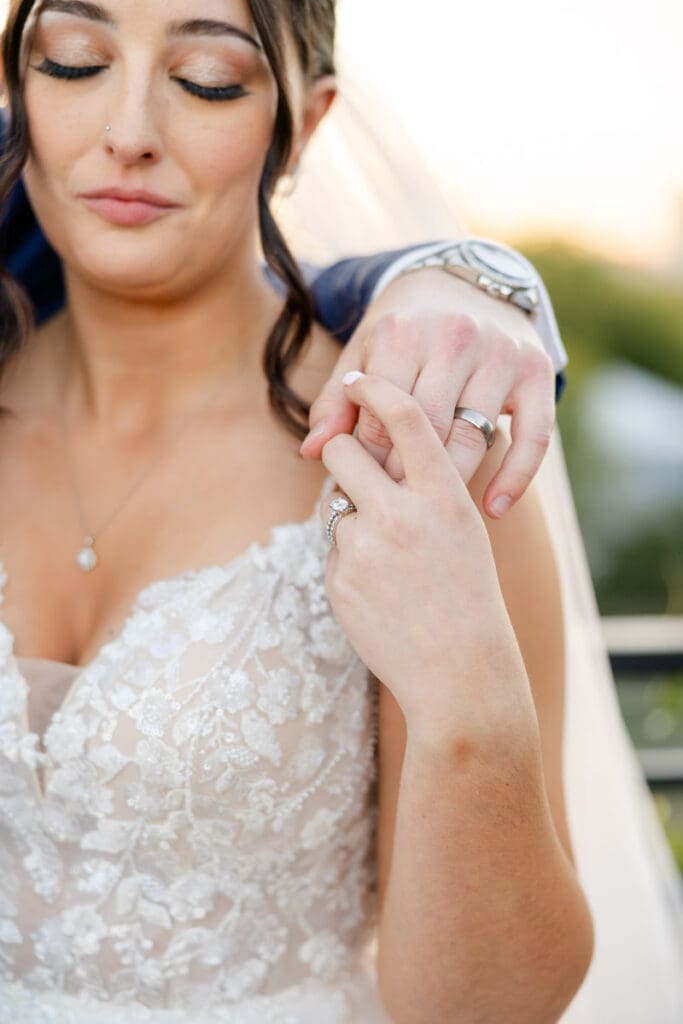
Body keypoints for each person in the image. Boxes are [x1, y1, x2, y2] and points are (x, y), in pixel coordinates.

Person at [0, 0, 651, 1020]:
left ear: (301, 125)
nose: (126, 130)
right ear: (18, 89)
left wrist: (465, 700)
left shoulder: (417, 449)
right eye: (74, 62)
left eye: (206, 78)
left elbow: (492, 1006)